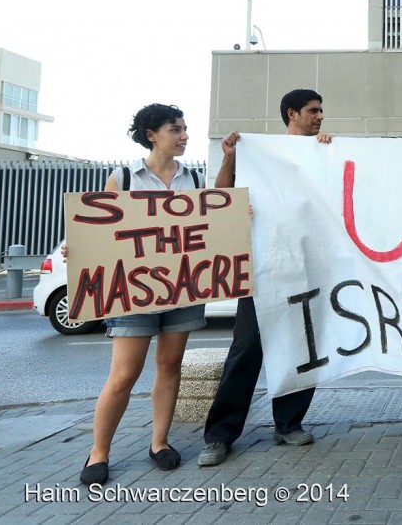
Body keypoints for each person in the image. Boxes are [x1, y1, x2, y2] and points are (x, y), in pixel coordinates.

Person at [198, 89, 332, 467]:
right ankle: (220, 434)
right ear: (292, 114)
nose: (320, 117)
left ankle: (289, 423)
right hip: (264, 268)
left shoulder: (322, 152)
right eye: (313, 111)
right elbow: (222, 195)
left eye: (321, 111)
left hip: (306, 267)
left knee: (301, 349)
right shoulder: (259, 153)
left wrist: (329, 151)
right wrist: (229, 157)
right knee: (246, 350)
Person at [77, 104, 205, 486]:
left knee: (170, 365)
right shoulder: (124, 179)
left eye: (185, 129)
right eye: (175, 129)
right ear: (152, 135)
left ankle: (160, 443)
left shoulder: (195, 180)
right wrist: (79, 248)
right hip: (134, 291)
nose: (183, 136)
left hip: (182, 287)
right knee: (124, 374)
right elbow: (100, 230)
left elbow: (207, 228)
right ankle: (99, 452)